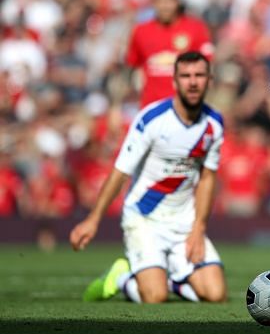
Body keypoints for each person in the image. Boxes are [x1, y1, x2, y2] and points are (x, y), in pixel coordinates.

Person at [70, 51, 227, 304]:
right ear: (174, 82)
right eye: (185, 76)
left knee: (216, 294)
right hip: (145, 218)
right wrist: (93, 219)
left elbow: (208, 178)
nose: (193, 82)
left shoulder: (215, 123)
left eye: (199, 75)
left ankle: (173, 280)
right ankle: (121, 277)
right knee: (154, 297)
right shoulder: (152, 120)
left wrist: (198, 228)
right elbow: (121, 171)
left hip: (184, 221)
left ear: (210, 80)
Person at [126, 0, 214, 107]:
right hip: (151, 109)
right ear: (154, 2)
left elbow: (208, 67)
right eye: (161, 0)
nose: (165, 6)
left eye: (169, 0)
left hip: (186, 111)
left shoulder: (196, 29)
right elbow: (131, 68)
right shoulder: (141, 31)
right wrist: (117, 105)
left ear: (177, 1)